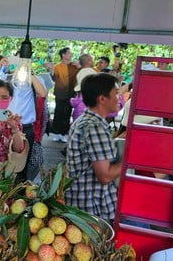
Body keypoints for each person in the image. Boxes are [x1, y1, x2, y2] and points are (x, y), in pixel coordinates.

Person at [64, 73, 122, 222]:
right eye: (116, 94)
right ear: (102, 99)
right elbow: (105, 176)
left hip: (84, 204)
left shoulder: (86, 121)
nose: (119, 98)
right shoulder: (94, 127)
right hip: (91, 208)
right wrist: (133, 158)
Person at [48, 47, 80, 142]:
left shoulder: (74, 66)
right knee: (58, 112)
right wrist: (52, 69)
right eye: (69, 53)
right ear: (63, 55)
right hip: (60, 93)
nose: (71, 55)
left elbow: (80, 73)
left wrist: (79, 66)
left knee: (67, 113)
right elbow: (54, 78)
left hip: (71, 93)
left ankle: (64, 133)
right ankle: (56, 133)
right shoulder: (57, 66)